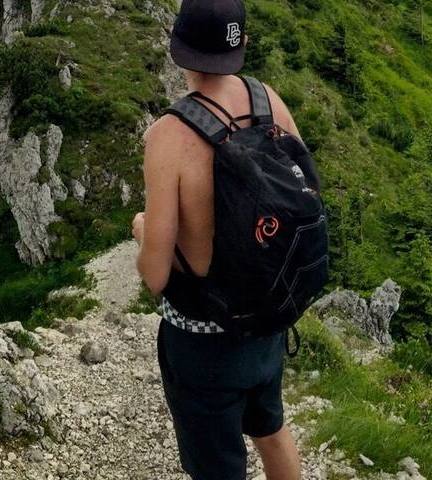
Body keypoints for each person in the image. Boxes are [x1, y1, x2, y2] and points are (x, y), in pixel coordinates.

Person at [133, 1, 317, 479]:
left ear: (179, 50)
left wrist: (141, 230)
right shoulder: (268, 101)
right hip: (266, 322)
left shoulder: (168, 136)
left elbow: (154, 276)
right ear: (243, 46)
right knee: (271, 431)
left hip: (203, 343)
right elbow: (306, 194)